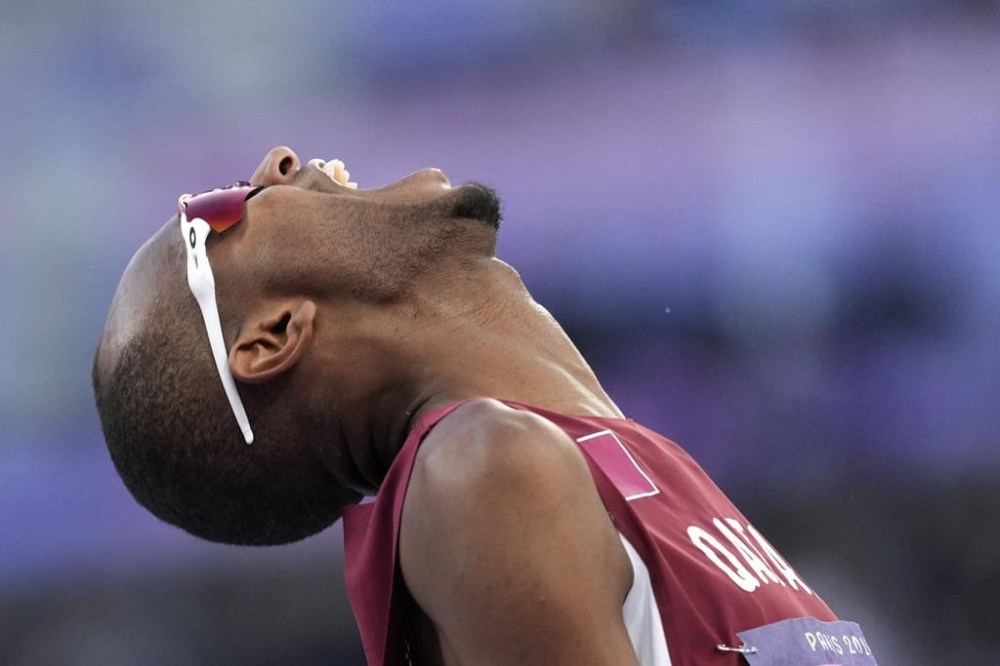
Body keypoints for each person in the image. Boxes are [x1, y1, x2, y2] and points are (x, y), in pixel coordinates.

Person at [93, 146, 875, 665]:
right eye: (214, 217)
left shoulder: (602, 466)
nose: (277, 162)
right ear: (272, 335)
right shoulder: (485, 472)